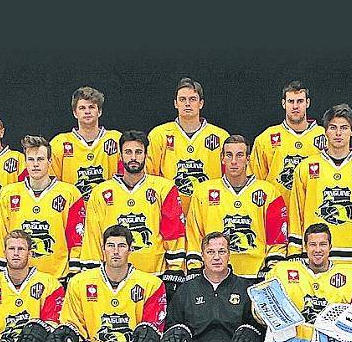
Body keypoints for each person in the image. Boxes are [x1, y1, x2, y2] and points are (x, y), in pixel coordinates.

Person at [287, 103, 352, 291]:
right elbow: (296, 214)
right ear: (325, 132)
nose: (338, 133)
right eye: (333, 128)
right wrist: (294, 252)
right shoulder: (305, 168)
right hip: (316, 261)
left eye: (344, 128)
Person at [80, 130, 186, 296]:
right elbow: (93, 236)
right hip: (112, 279)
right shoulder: (101, 192)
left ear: (146, 155)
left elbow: (173, 232)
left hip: (154, 276)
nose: (133, 157)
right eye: (128, 152)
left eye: (138, 152)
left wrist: (175, 269)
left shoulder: (164, 188)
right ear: (120, 156)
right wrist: (91, 272)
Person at [185, 136, 287, 279]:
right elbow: (194, 234)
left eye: (239, 155)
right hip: (215, 277)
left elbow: (277, 237)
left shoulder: (269, 192)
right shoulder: (203, 192)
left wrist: (271, 269)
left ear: (248, 159)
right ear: (222, 158)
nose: (234, 161)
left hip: (256, 274)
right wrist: (194, 268)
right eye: (229, 155)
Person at [0, 135, 85, 280]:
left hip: (57, 277)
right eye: (31, 159)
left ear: (49, 162)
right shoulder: (8, 194)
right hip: (18, 278)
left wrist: (74, 272)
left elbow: (76, 237)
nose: (35, 164)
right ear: (25, 162)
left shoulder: (69, 193)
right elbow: (0, 236)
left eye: (40, 159)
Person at [148, 77, 230, 209]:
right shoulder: (159, 135)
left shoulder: (220, 136)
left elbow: (231, 176)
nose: (187, 104)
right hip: (170, 210)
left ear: (201, 103)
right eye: (182, 99)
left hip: (210, 208)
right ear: (175, 103)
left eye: (192, 99)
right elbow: (149, 177)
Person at [251, 80, 326, 204]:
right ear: (283, 103)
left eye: (300, 101)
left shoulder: (325, 136)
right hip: (278, 211)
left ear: (307, 103)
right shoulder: (266, 138)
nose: (295, 106)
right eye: (291, 101)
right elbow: (256, 183)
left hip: (313, 210)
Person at [49, 86, 122, 201]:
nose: (87, 111)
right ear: (75, 113)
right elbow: (51, 184)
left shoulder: (116, 139)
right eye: (82, 108)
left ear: (100, 111)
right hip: (73, 211)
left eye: (91, 107)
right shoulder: (59, 143)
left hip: (108, 210)